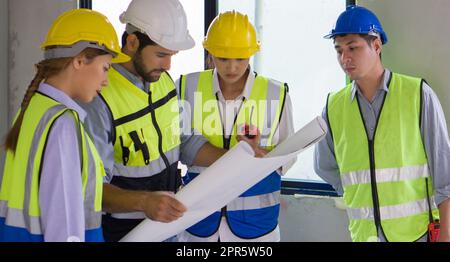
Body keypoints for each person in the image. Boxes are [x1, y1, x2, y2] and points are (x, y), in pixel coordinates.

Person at [80, 0, 264, 242]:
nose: (168, 65)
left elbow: (185, 142)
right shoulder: (100, 99)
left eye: (172, 55)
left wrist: (240, 157)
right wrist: (145, 203)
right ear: (132, 43)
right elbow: (89, 190)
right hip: (122, 234)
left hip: (166, 230)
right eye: (160, 55)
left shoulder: (163, 82)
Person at [314, 5, 450, 242]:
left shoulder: (417, 95)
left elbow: (445, 177)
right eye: (338, 50)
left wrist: (447, 235)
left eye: (353, 48)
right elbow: (323, 166)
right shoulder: (333, 106)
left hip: (416, 234)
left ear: (376, 46)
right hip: (364, 236)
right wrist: (359, 194)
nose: (344, 58)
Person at [0, 9, 129, 242]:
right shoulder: (62, 124)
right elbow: (64, 225)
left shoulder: (33, 109)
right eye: (106, 68)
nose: (106, 81)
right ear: (79, 61)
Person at [177, 10, 295, 242]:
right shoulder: (186, 87)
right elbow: (177, 147)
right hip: (199, 222)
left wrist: (261, 155)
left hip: (256, 225)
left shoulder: (276, 93)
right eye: (223, 58)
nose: (232, 67)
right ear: (210, 54)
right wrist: (240, 158)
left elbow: (288, 156)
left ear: (251, 54)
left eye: (240, 59)